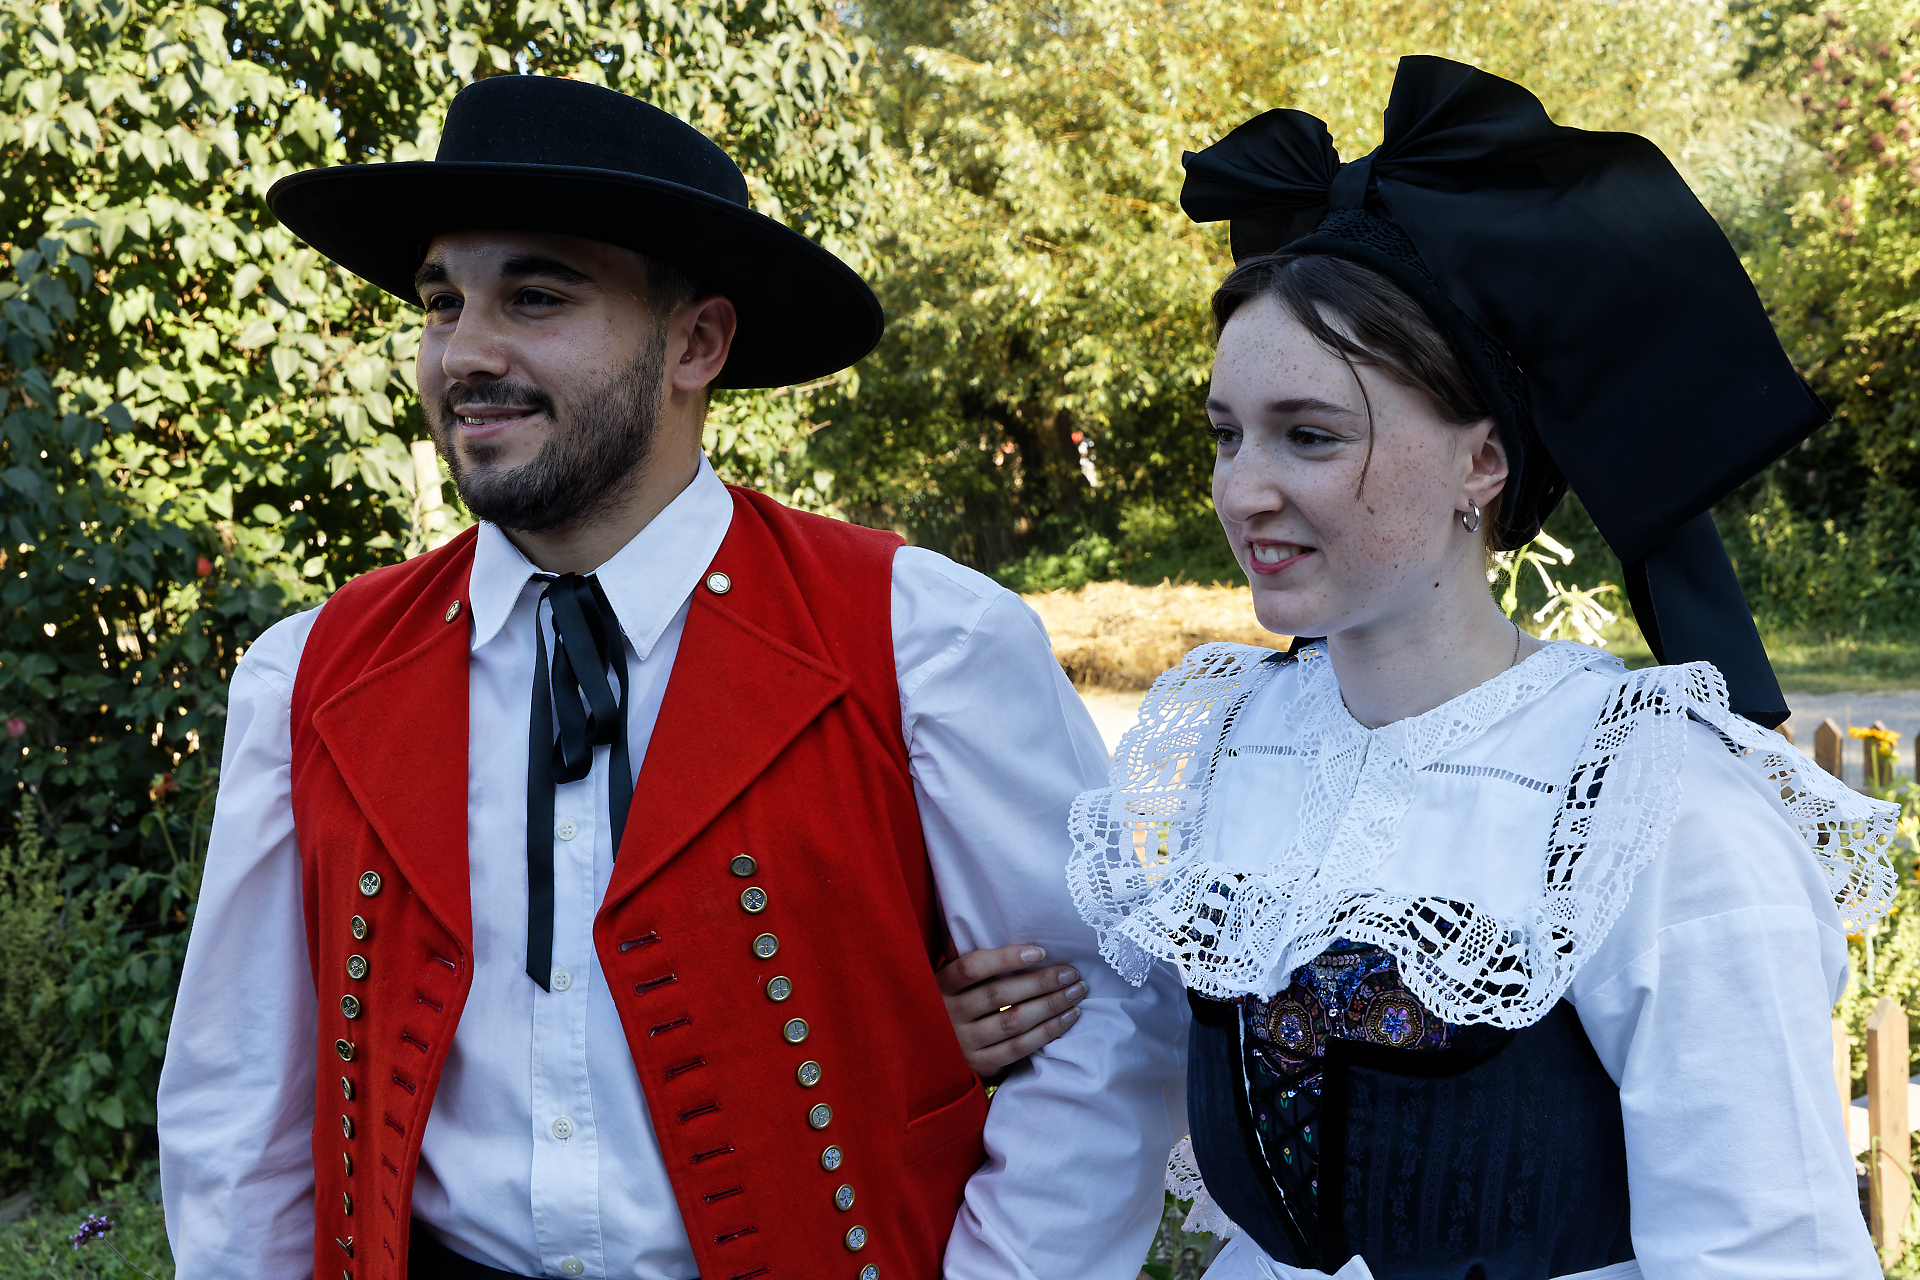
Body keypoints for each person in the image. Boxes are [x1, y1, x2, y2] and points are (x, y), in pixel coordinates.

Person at [155, 75, 1187, 1280]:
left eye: (537, 296)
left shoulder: (925, 642)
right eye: (443, 302)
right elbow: (241, 1097)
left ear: (697, 342)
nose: (464, 351)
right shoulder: (311, 674)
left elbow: (1101, 1038)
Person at [1064, 57, 1899, 1279]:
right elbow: (1108, 1064)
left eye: (1310, 434)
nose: (1244, 491)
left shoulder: (1648, 798)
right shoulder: (1214, 752)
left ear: (1482, 463)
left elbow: (1769, 1253)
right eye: (1227, 434)